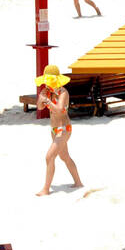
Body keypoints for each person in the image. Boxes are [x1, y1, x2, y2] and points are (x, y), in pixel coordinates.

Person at [35, 65, 82, 196]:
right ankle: (78, 182)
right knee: (65, 156)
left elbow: (60, 110)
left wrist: (48, 102)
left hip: (64, 128)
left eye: (49, 81)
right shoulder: (47, 91)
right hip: (54, 129)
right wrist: (41, 98)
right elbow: (39, 108)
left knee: (49, 157)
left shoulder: (63, 92)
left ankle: (45, 189)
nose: (47, 83)